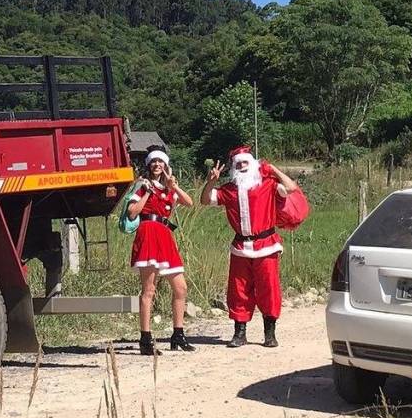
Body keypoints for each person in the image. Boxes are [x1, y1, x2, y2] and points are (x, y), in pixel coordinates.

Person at [200, 146, 298, 348]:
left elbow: (291, 188)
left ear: (253, 164)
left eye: (246, 162)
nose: (242, 166)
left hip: (266, 245)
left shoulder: (268, 184)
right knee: (239, 290)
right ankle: (239, 333)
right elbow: (205, 200)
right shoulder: (228, 190)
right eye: (238, 164)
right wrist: (211, 182)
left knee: (268, 288)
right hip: (241, 247)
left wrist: (273, 169)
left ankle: (269, 333)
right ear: (233, 168)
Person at [126, 147, 195, 354]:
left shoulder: (169, 189)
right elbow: (132, 213)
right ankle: (145, 338)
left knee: (180, 288)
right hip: (148, 233)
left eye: (160, 161)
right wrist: (147, 192)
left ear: (166, 165)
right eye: (154, 162)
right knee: (149, 289)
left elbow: (189, 203)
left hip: (165, 236)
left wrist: (174, 187)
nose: (157, 165)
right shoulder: (143, 185)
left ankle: (178, 334)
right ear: (149, 165)